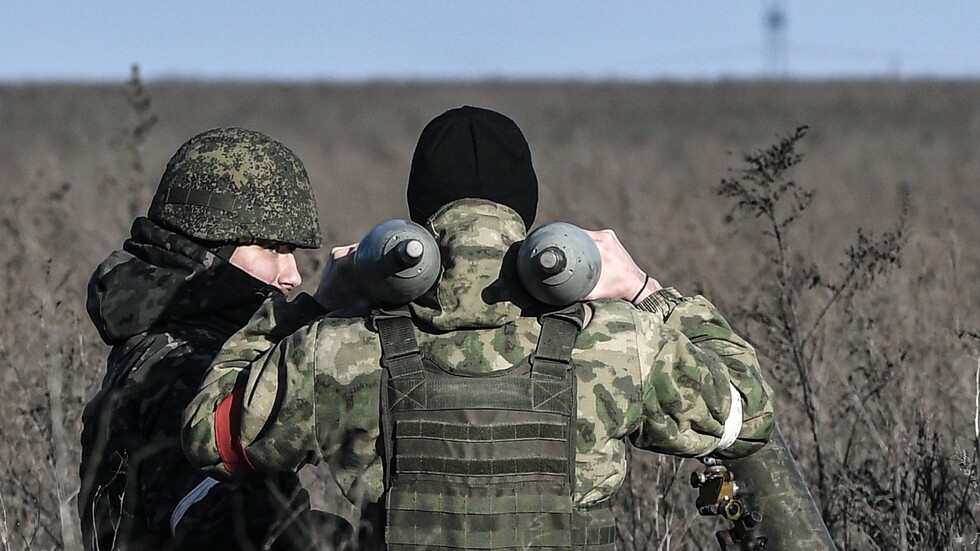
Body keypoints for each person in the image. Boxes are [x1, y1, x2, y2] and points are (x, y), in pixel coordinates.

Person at [182, 107, 776, 550]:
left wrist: (311, 309)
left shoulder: (337, 351)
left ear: (417, 224)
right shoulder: (621, 345)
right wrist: (647, 291)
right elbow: (746, 414)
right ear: (529, 219)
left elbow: (212, 436)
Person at [79, 127, 348, 550]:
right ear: (209, 246)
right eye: (271, 248)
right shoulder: (187, 366)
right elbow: (244, 530)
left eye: (292, 252)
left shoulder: (165, 344)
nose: (292, 275)